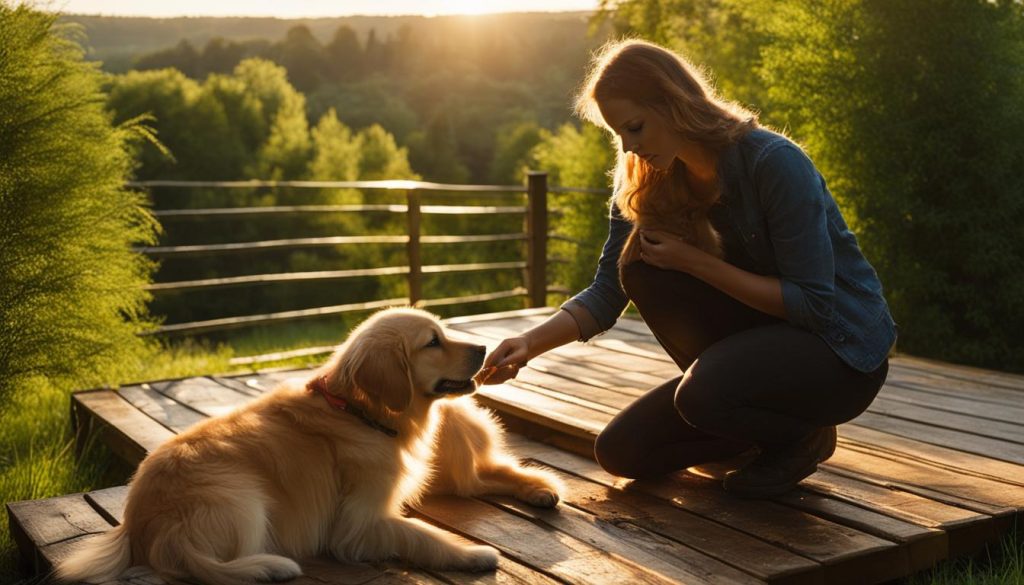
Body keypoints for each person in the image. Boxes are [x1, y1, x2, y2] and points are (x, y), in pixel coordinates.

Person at [480, 39, 896, 498]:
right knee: (623, 453)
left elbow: (814, 305)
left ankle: (798, 433)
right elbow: (606, 292)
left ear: (672, 103)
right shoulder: (645, 181)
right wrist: (527, 345)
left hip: (840, 355)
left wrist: (695, 263)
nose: (630, 147)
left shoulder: (773, 163)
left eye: (635, 127)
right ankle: (758, 419)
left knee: (698, 394)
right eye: (619, 134)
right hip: (758, 350)